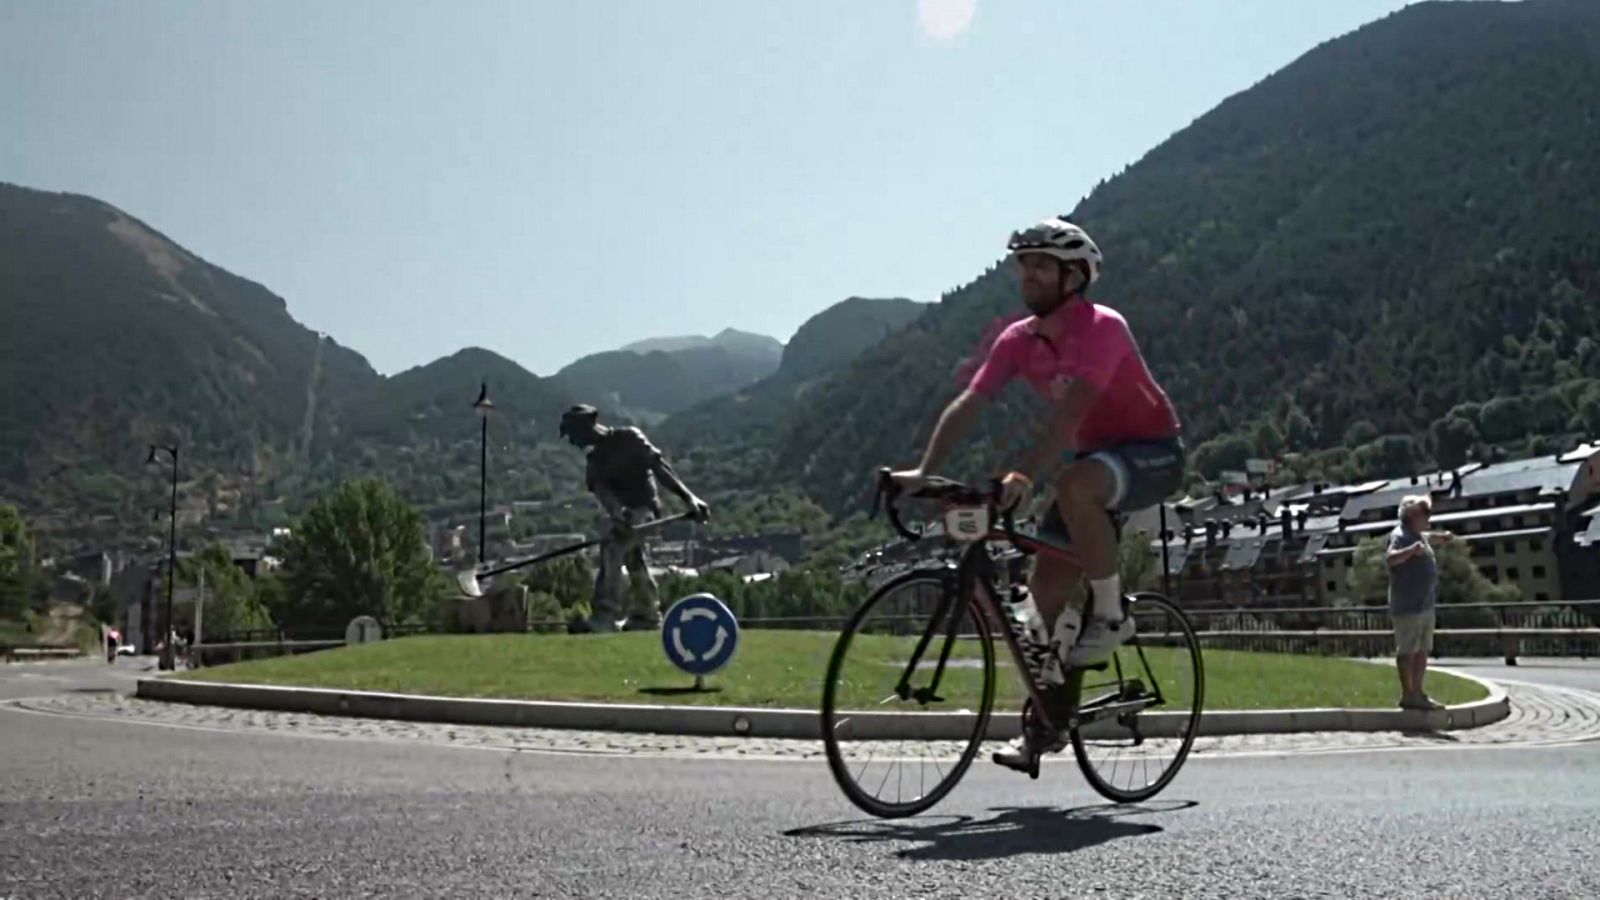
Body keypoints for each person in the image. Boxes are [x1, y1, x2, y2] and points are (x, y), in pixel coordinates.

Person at [888, 216, 1185, 772]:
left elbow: (1071, 412)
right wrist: (924, 471)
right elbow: (970, 403)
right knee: (1044, 599)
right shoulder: (1018, 340)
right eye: (1023, 264)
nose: (1027, 275)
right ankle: (1045, 725)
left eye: (1041, 265)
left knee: (1073, 484)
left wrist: (1023, 475)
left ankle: (1113, 613)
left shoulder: (1104, 327)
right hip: (1094, 463)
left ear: (1074, 276)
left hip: (1153, 452)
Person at [559, 404, 710, 633]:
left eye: (572, 434)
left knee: (613, 546)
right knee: (632, 557)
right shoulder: (594, 461)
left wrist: (689, 499)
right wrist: (617, 513)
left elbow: (661, 469)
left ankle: (604, 615)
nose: (571, 441)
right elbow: (603, 492)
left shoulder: (630, 438)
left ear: (586, 426)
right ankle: (647, 613)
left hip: (646, 509)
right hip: (625, 514)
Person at [1387, 494, 1454, 710]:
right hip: (1408, 606)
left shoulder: (1418, 534)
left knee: (1422, 650)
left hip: (1425, 604)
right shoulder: (1400, 536)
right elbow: (1390, 558)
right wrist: (1411, 552)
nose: (1428, 518)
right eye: (1425, 514)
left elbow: (1426, 536)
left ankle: (1419, 692)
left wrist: (1441, 537)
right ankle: (1408, 694)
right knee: (1407, 650)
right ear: (1413, 516)